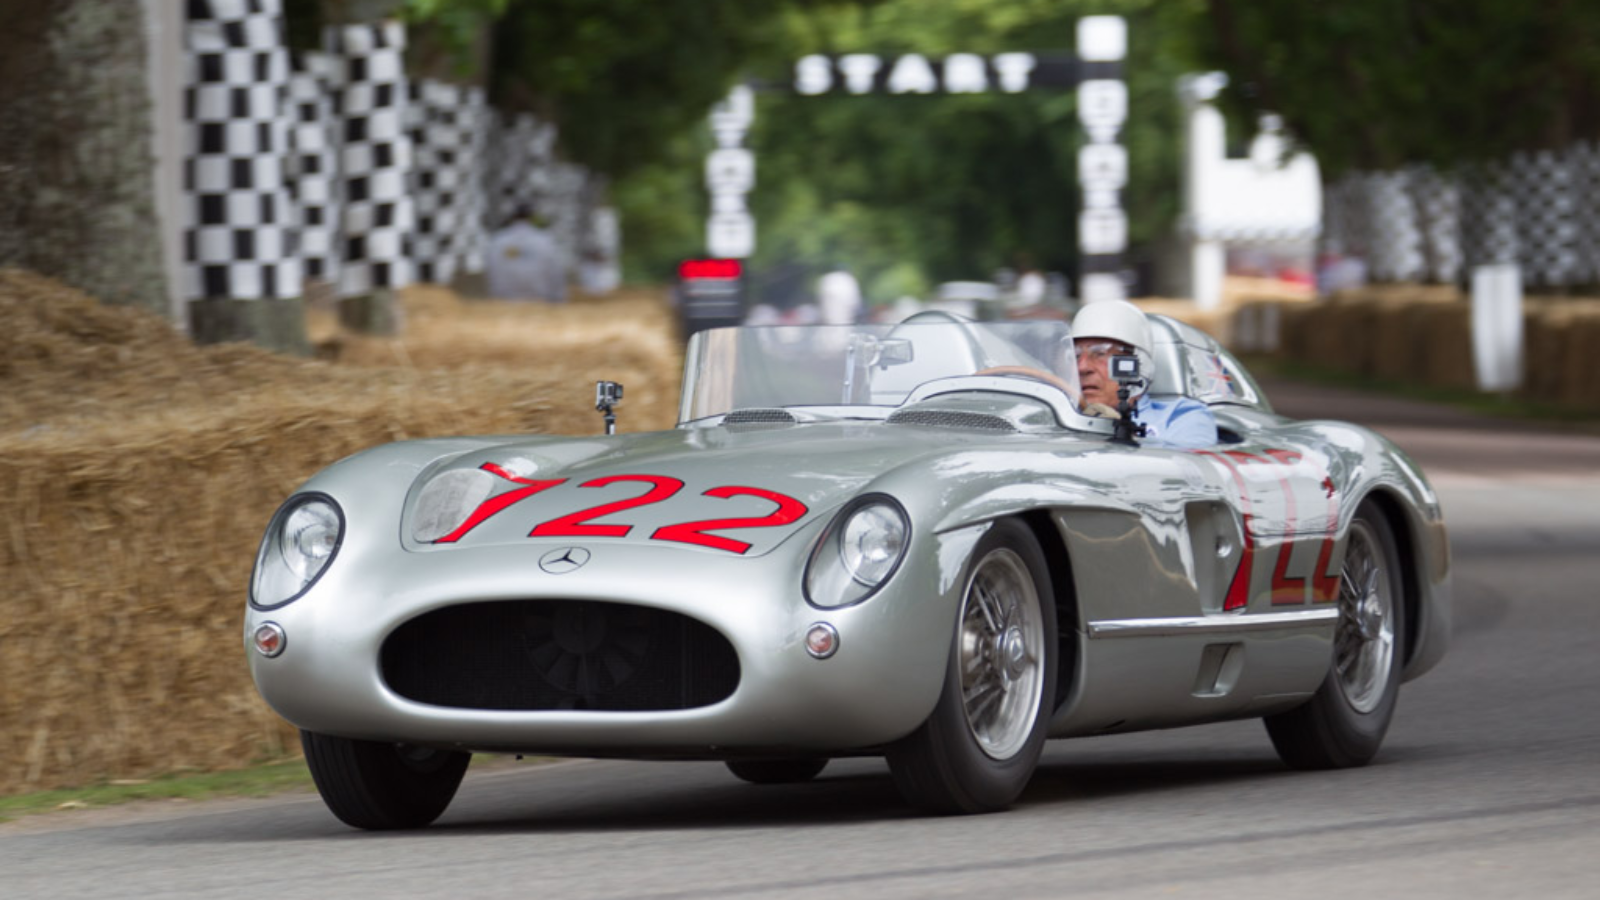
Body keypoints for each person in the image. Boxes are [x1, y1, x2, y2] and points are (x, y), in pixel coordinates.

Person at [1071, 300, 1218, 448]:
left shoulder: (1182, 416)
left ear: (1139, 364)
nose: (1082, 367)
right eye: (1075, 356)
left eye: (1100, 353)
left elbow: (1185, 465)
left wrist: (1119, 434)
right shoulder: (1054, 420)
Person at [487, 207, 568, 302]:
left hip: (505, 303)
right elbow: (555, 274)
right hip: (540, 302)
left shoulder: (498, 241)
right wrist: (559, 300)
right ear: (533, 219)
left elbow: (492, 275)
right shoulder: (545, 241)